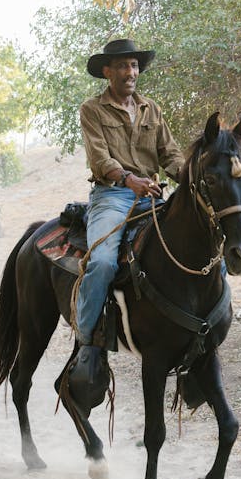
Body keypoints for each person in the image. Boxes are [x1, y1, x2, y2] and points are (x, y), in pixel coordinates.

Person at [73, 37, 185, 385]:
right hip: (113, 197)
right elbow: (99, 158)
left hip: (152, 195)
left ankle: (198, 337)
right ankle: (87, 345)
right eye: (122, 65)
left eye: (134, 65)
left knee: (205, 250)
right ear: (107, 72)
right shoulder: (92, 109)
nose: (130, 72)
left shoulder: (152, 108)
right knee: (103, 261)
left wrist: (195, 175)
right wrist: (128, 179)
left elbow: (170, 155)